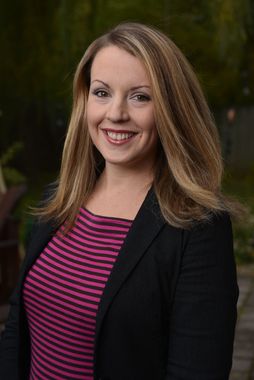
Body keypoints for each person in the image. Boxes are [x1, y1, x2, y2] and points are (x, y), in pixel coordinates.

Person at [0, 22, 239, 380]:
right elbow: (17, 324)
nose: (115, 113)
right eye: (101, 93)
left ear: (172, 108)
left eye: (140, 96)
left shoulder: (198, 227)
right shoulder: (58, 199)